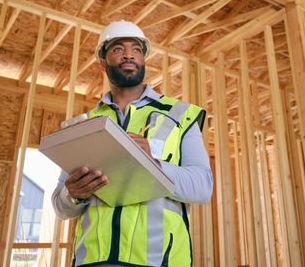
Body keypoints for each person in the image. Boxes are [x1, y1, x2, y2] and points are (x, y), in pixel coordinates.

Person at [52, 20, 213, 267]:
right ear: (102, 62)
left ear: (143, 59)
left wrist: (153, 164)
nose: (128, 54)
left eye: (136, 49)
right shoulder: (85, 127)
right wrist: (72, 194)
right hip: (93, 262)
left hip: (160, 262)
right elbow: (61, 208)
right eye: (117, 48)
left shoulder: (180, 116)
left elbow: (202, 187)